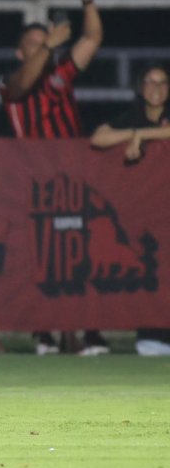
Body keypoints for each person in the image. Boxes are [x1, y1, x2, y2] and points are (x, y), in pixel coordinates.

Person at [0, 0, 108, 356]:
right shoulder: (10, 81)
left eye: (44, 40)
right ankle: (44, 332)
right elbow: (21, 84)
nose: (42, 45)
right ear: (19, 52)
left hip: (74, 179)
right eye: (32, 43)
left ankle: (90, 332)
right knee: (43, 256)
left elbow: (92, 39)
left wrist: (88, 2)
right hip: (35, 183)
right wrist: (47, 45)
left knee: (84, 253)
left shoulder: (61, 74)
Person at [90, 61, 170, 356]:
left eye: (162, 82)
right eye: (150, 81)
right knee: (152, 270)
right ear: (141, 87)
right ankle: (151, 334)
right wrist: (134, 132)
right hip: (148, 212)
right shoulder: (134, 116)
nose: (156, 88)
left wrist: (142, 137)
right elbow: (98, 137)